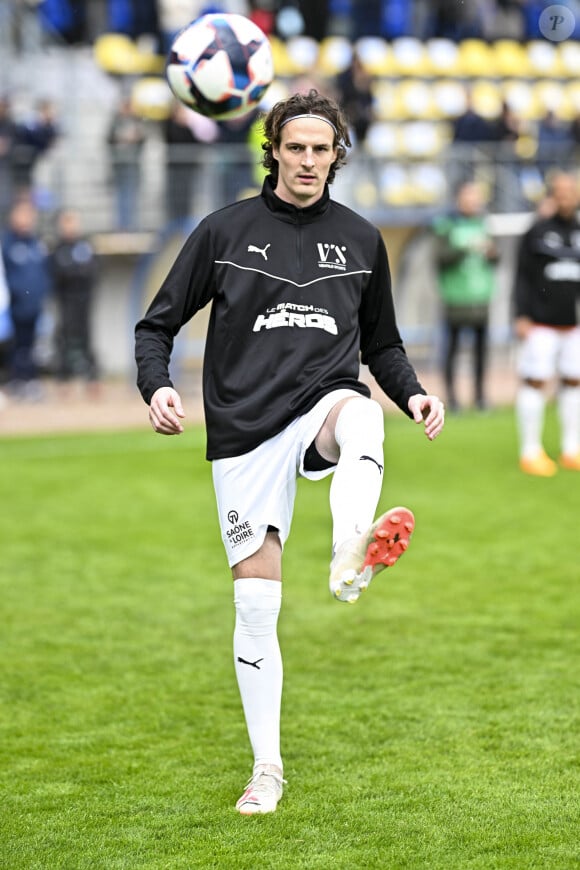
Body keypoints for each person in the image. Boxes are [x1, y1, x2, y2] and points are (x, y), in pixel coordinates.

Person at [135, 89, 445, 816]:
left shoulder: (363, 239)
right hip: (243, 431)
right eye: (295, 147)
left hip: (320, 405)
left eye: (321, 148)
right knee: (254, 606)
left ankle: (350, 548)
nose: (308, 160)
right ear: (272, 150)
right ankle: (266, 768)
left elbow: (384, 343)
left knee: (363, 417)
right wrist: (156, 387)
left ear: (339, 154)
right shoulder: (222, 231)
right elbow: (158, 326)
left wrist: (415, 394)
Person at [513, 170, 580, 476]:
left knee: (573, 382)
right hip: (541, 323)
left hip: (573, 325)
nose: (565, 196)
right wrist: (521, 314)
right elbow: (522, 275)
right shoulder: (537, 231)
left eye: (571, 191)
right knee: (536, 381)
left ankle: (571, 449)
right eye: (560, 191)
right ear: (553, 194)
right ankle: (530, 451)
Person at [432, 180, 499, 411]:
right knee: (451, 349)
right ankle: (452, 398)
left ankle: (480, 396)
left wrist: (491, 252)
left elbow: (495, 257)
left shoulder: (484, 223)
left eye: (476, 197)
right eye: (468, 196)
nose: (473, 202)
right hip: (455, 297)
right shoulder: (446, 225)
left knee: (482, 350)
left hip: (480, 296)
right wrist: (465, 247)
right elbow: (440, 258)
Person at [2, 199, 51, 399]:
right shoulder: (7, 245)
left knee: (32, 346)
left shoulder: (37, 244)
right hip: (14, 308)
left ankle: (30, 380)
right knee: (17, 346)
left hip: (34, 307)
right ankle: (17, 381)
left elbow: (43, 274)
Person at [50, 209, 101, 395]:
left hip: (85, 301)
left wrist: (76, 272)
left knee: (87, 338)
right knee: (64, 339)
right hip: (65, 302)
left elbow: (93, 269)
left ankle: (92, 378)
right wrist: (76, 272)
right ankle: (63, 378)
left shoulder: (86, 246)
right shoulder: (58, 249)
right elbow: (60, 273)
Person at [107, 96, 147, 231]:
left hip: (132, 165)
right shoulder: (115, 121)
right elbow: (108, 139)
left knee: (132, 195)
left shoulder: (137, 121)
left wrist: (136, 137)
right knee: (121, 195)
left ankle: (132, 225)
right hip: (119, 164)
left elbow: (143, 139)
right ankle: (121, 225)